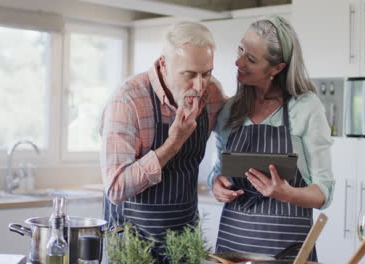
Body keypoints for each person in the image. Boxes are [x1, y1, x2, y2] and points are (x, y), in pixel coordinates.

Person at [208, 16, 335, 261]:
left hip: (287, 252)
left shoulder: (306, 108)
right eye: (241, 49)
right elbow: (218, 170)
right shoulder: (230, 110)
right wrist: (217, 184)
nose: (238, 61)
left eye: (251, 59)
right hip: (233, 248)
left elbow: (324, 192)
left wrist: (287, 193)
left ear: (277, 68)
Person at [100, 21, 225, 263]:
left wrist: (218, 173)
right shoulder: (128, 100)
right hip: (132, 246)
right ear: (164, 64)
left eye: (206, 73)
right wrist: (173, 144)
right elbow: (115, 188)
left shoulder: (212, 95)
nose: (199, 86)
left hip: (185, 243)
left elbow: (231, 135)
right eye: (189, 75)